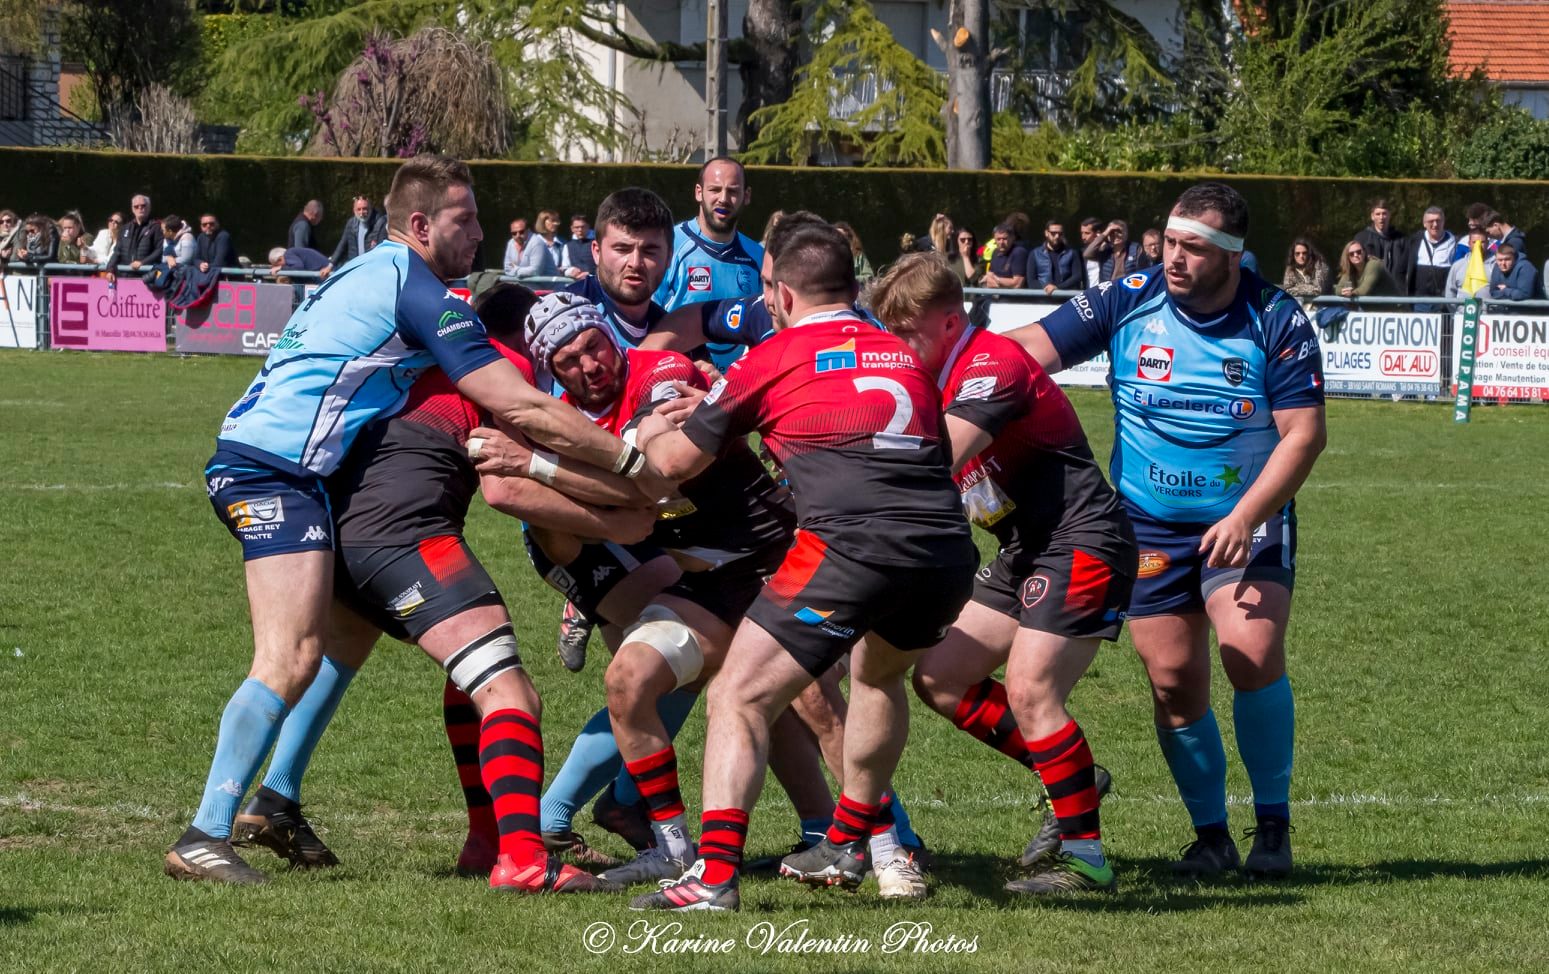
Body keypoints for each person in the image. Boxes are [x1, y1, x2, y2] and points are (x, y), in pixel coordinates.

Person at [164, 154, 669, 885]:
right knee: (300, 657)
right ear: (423, 224)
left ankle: (274, 800)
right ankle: (209, 831)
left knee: (342, 644)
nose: (480, 233)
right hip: (283, 475)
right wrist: (630, 470)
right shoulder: (416, 286)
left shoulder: (364, 272)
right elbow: (522, 411)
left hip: (300, 477)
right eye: (466, 220)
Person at [228, 286, 635, 894]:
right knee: (510, 694)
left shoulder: (425, 360)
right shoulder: (502, 367)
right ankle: (521, 857)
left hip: (335, 529)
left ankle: (480, 838)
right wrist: (622, 513)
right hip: (402, 534)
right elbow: (504, 488)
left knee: (447, 674)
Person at [630, 219, 978, 912]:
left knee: (739, 694)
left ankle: (713, 878)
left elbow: (670, 465)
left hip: (851, 545)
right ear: (854, 289)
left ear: (782, 296)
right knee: (878, 678)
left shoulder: (774, 354)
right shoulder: (899, 352)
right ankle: (851, 837)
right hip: (944, 550)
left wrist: (647, 418)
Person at [1005, 182, 1326, 881]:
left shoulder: (1274, 317)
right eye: (1170, 242)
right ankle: (1210, 838)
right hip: (1146, 521)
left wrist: (1244, 516)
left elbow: (1302, 436)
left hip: (1247, 515)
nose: (1173, 259)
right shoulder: (1129, 296)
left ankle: (1272, 826)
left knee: (1248, 651)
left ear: (1233, 258)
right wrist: (950, 370)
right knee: (1174, 681)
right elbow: (1026, 350)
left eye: (1193, 248)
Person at [491, 295, 797, 888]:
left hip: (753, 557)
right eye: (569, 360)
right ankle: (668, 844)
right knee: (637, 679)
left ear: (609, 335)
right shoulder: (560, 421)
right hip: (604, 550)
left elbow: (661, 463)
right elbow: (524, 501)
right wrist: (597, 490)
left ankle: (877, 842)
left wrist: (550, 469)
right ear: (551, 373)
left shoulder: (655, 366)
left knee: (794, 699)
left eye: (593, 346)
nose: (590, 364)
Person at [869, 253, 1136, 896]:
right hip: (1026, 549)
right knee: (941, 678)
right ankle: (1070, 777)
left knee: (1030, 689)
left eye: (907, 332)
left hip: (1082, 540)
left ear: (950, 320)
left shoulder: (992, 362)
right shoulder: (933, 380)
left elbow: (941, 459)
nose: (897, 348)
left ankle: (1085, 858)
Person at [653, 156, 762, 314]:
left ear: (746, 196)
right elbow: (644, 317)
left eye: (732, 191)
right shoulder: (668, 245)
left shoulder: (757, 256)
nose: (723, 199)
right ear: (699, 192)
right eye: (715, 190)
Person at [1405, 206, 1455, 306]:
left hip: (1443, 303)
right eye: (1431, 221)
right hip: (1419, 302)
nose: (1435, 224)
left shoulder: (1455, 242)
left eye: (1438, 221)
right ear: (1424, 224)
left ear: (1443, 222)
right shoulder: (1414, 241)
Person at [107, 194, 163, 279]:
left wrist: (142, 262)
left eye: (143, 205)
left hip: (145, 276)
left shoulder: (156, 227)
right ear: (133, 209)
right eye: (136, 206)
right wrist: (110, 269)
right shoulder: (125, 228)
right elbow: (117, 252)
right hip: (125, 276)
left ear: (149, 207)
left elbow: (159, 250)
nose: (140, 208)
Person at [1352, 199, 1407, 287]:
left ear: (1389, 215)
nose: (1381, 217)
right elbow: (1352, 265)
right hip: (1370, 289)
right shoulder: (1362, 238)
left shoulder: (1400, 239)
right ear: (1372, 216)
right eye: (1378, 214)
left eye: (1384, 213)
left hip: (1395, 290)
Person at [328, 194, 387, 271]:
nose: (361, 212)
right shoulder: (351, 224)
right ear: (354, 210)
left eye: (365, 209)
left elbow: (382, 249)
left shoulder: (380, 223)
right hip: (355, 268)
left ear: (371, 208)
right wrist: (330, 266)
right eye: (358, 209)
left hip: (373, 269)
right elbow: (342, 245)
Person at [1027, 220, 1081, 294]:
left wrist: (1057, 288)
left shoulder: (1071, 253)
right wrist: (1046, 288)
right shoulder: (1035, 254)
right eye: (1053, 233)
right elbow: (1031, 280)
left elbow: (1077, 276)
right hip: (1042, 299)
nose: (1057, 236)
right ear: (1046, 233)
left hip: (1065, 297)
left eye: (1060, 234)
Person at [1083, 219, 1143, 284]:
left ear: (1126, 233)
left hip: (1128, 289)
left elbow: (1142, 271)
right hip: (1108, 290)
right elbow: (1087, 254)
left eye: (1119, 232)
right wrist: (1105, 233)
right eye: (1112, 232)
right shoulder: (1105, 251)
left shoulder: (1135, 249)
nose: (1116, 235)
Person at [1335, 240, 1400, 299]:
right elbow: (1338, 289)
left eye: (1359, 252)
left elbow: (1364, 290)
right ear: (1348, 257)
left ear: (1364, 252)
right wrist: (1343, 292)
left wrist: (1351, 293)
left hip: (1395, 309)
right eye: (1351, 254)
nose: (1355, 255)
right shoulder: (1350, 270)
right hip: (1373, 310)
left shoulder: (1373, 265)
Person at [1280, 238, 1329, 311]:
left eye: (1304, 253)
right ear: (1293, 255)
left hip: (1319, 308)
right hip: (1298, 307)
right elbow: (1287, 289)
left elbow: (1317, 289)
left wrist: (1296, 288)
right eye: (1297, 253)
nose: (1301, 256)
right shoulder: (1290, 269)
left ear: (1309, 253)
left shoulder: (1320, 266)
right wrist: (1309, 287)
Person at [515, 209, 562, 279]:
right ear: (542, 222)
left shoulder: (562, 243)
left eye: (557, 221)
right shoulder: (532, 242)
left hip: (555, 282)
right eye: (552, 221)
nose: (556, 224)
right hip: (535, 282)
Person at [981, 223, 1028, 290]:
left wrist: (997, 280)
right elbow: (989, 277)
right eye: (998, 239)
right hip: (995, 296)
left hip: (1012, 298)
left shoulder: (1019, 252)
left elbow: (1017, 284)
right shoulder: (995, 252)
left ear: (1013, 238)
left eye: (1005, 239)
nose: (1001, 242)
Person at [560, 213, 597, 278]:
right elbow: (564, 267)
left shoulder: (597, 243)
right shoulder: (567, 246)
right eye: (577, 227)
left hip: (595, 281)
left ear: (588, 226)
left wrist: (590, 273)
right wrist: (571, 271)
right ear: (572, 229)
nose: (580, 230)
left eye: (583, 227)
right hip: (575, 283)